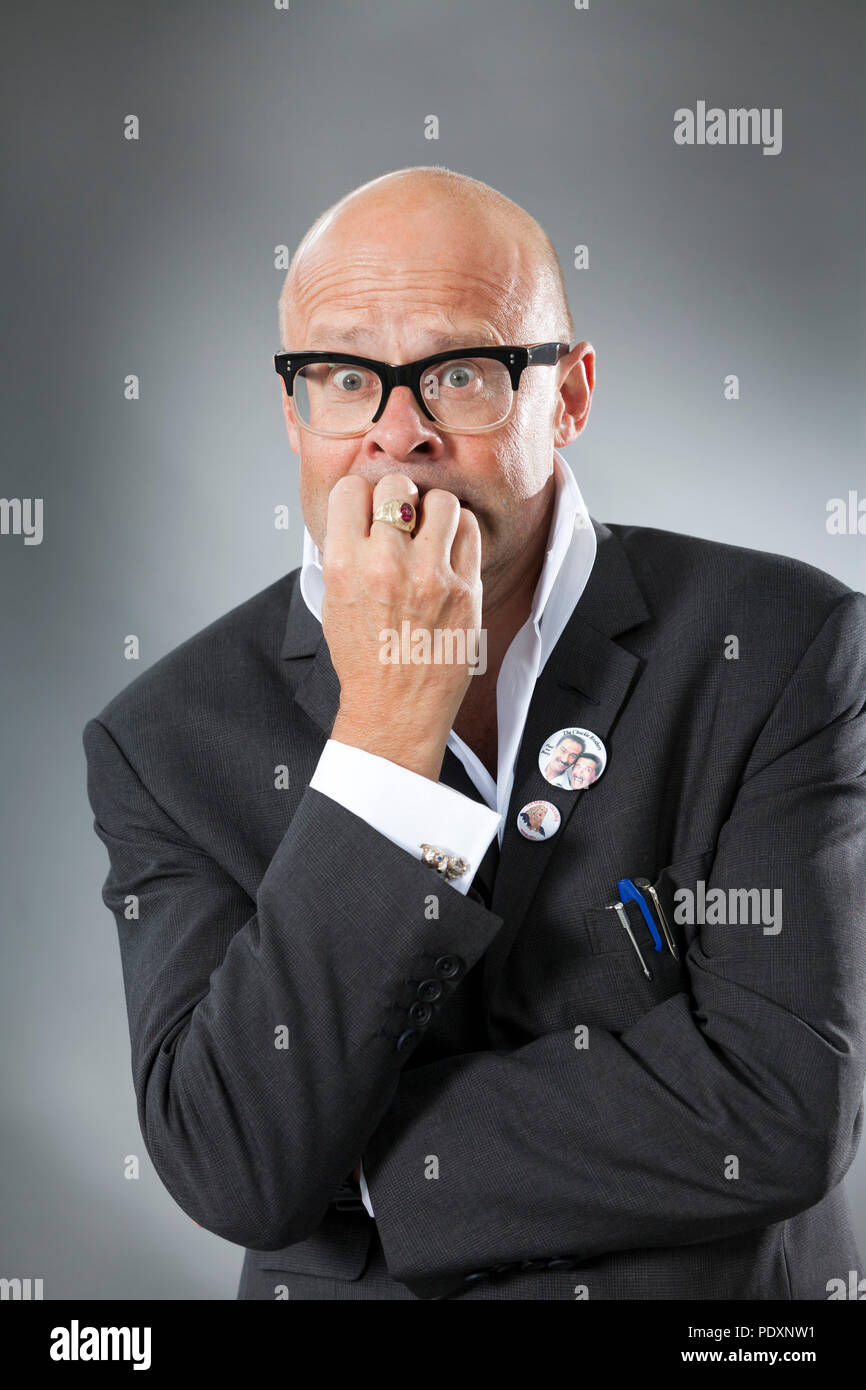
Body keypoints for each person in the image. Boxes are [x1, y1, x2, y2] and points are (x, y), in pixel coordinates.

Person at [83, 165, 866, 1301]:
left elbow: (779, 1106)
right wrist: (386, 735)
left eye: (458, 372)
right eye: (346, 376)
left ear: (570, 395)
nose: (398, 434)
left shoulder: (781, 641)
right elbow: (237, 1166)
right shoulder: (164, 736)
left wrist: (352, 1165)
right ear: (294, 411)